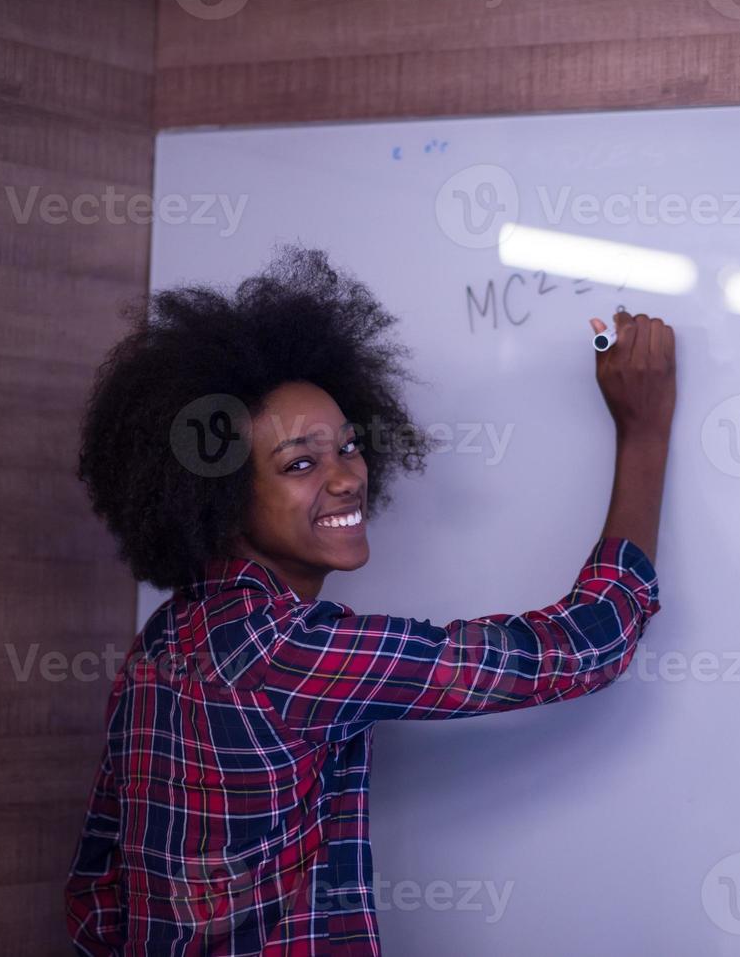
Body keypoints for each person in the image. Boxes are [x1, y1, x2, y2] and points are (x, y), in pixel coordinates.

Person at [65, 246, 674, 955]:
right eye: (299, 463)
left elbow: (97, 894)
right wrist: (644, 432)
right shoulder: (290, 650)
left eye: (348, 447)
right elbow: (579, 649)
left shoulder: (168, 636)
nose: (347, 477)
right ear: (218, 495)